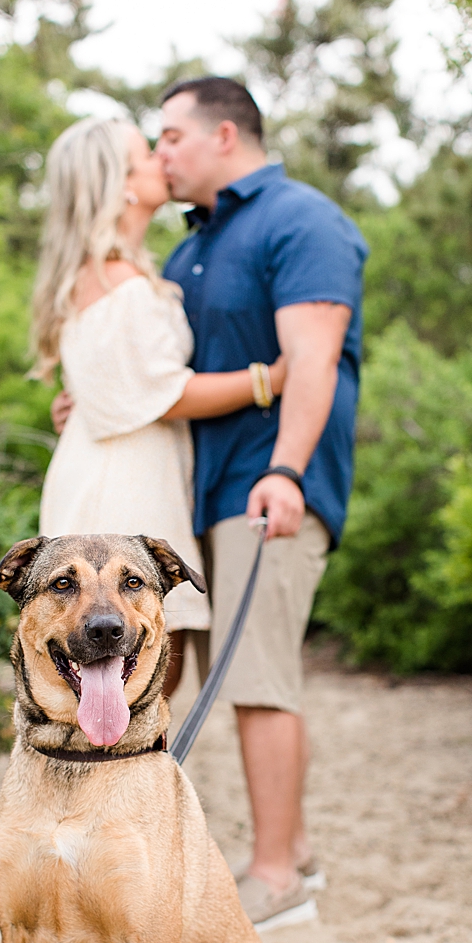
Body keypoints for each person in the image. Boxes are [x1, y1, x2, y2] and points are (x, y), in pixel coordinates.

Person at [153, 76, 368, 927]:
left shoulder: (302, 220)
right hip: (200, 492)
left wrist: (284, 471)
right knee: (228, 673)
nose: (159, 152)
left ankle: (275, 879)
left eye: (172, 136)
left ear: (226, 135)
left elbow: (311, 361)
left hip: (267, 484)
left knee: (258, 679)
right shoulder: (192, 248)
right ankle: (299, 853)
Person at [33, 115, 287, 699]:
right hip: (122, 490)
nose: (160, 160)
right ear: (119, 183)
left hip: (123, 467)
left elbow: (119, 386)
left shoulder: (118, 273)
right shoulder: (116, 280)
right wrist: (269, 378)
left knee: (129, 686)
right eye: (145, 153)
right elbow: (162, 393)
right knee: (129, 678)